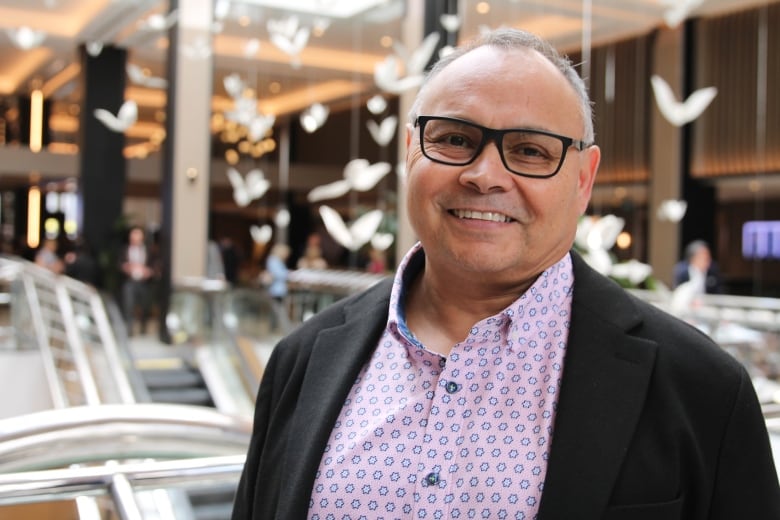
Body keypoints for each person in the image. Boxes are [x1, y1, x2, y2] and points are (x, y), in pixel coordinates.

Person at [231, 28, 779, 519]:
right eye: (454, 139)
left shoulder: (702, 389)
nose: (483, 175)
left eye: (530, 150)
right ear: (409, 152)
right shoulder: (303, 361)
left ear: (584, 179)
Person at [119, 226, 158, 335]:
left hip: (144, 282)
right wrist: (126, 267)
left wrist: (149, 271)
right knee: (129, 305)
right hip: (130, 281)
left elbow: (155, 265)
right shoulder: (125, 249)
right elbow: (119, 263)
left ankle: (143, 328)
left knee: (145, 305)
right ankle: (129, 329)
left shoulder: (148, 250)